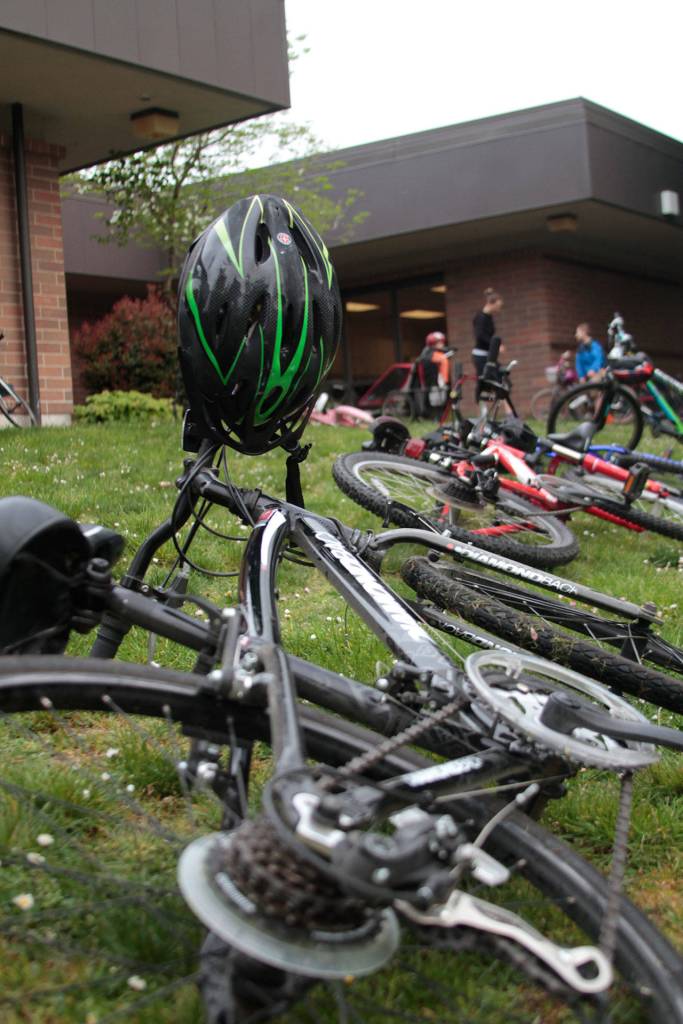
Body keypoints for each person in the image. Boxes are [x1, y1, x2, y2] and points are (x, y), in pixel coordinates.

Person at [472, 288, 503, 379]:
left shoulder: (489, 317)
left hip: (488, 355)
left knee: (501, 376)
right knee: (486, 381)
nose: (499, 309)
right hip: (480, 356)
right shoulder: (481, 317)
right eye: (498, 306)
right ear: (491, 304)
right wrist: (496, 345)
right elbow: (480, 335)